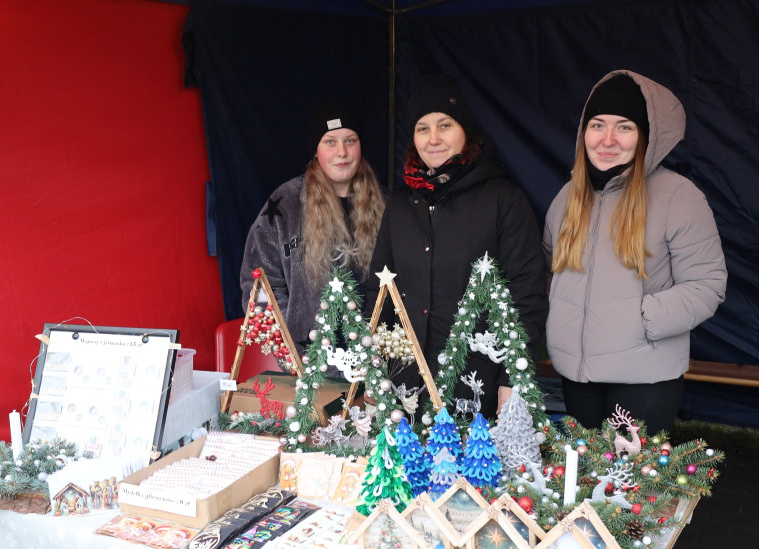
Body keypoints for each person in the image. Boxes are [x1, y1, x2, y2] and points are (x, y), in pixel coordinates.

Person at [544, 71, 727, 436]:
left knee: (631, 475)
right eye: (598, 125)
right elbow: (550, 271)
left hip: (644, 379)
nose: (607, 139)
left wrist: (640, 321)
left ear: (646, 135)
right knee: (584, 472)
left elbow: (706, 285)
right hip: (577, 376)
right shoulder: (567, 197)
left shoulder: (678, 196)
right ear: (584, 132)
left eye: (624, 127)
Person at [368, 74, 547, 418]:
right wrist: (373, 371)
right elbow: (380, 294)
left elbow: (527, 295)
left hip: (476, 386)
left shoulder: (503, 200)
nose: (433, 138)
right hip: (405, 387)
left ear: (466, 131)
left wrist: (513, 378)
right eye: (423, 128)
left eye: (445, 125)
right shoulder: (401, 205)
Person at [239, 102, 386, 354]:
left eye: (350, 141)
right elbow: (259, 286)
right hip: (308, 364)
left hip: (376, 361)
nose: (342, 152)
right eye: (330, 142)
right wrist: (290, 350)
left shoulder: (386, 204)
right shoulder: (285, 204)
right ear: (316, 150)